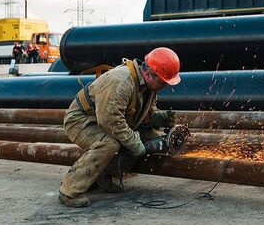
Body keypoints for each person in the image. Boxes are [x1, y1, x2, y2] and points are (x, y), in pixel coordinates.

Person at [58, 47, 181, 208]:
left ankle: (103, 176)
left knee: (152, 138)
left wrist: (159, 118)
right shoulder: (121, 81)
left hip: (106, 120)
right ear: (150, 74)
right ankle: (69, 190)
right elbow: (110, 120)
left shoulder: (149, 86)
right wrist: (135, 143)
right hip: (82, 121)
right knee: (110, 143)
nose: (165, 86)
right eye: (163, 81)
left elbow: (147, 111)